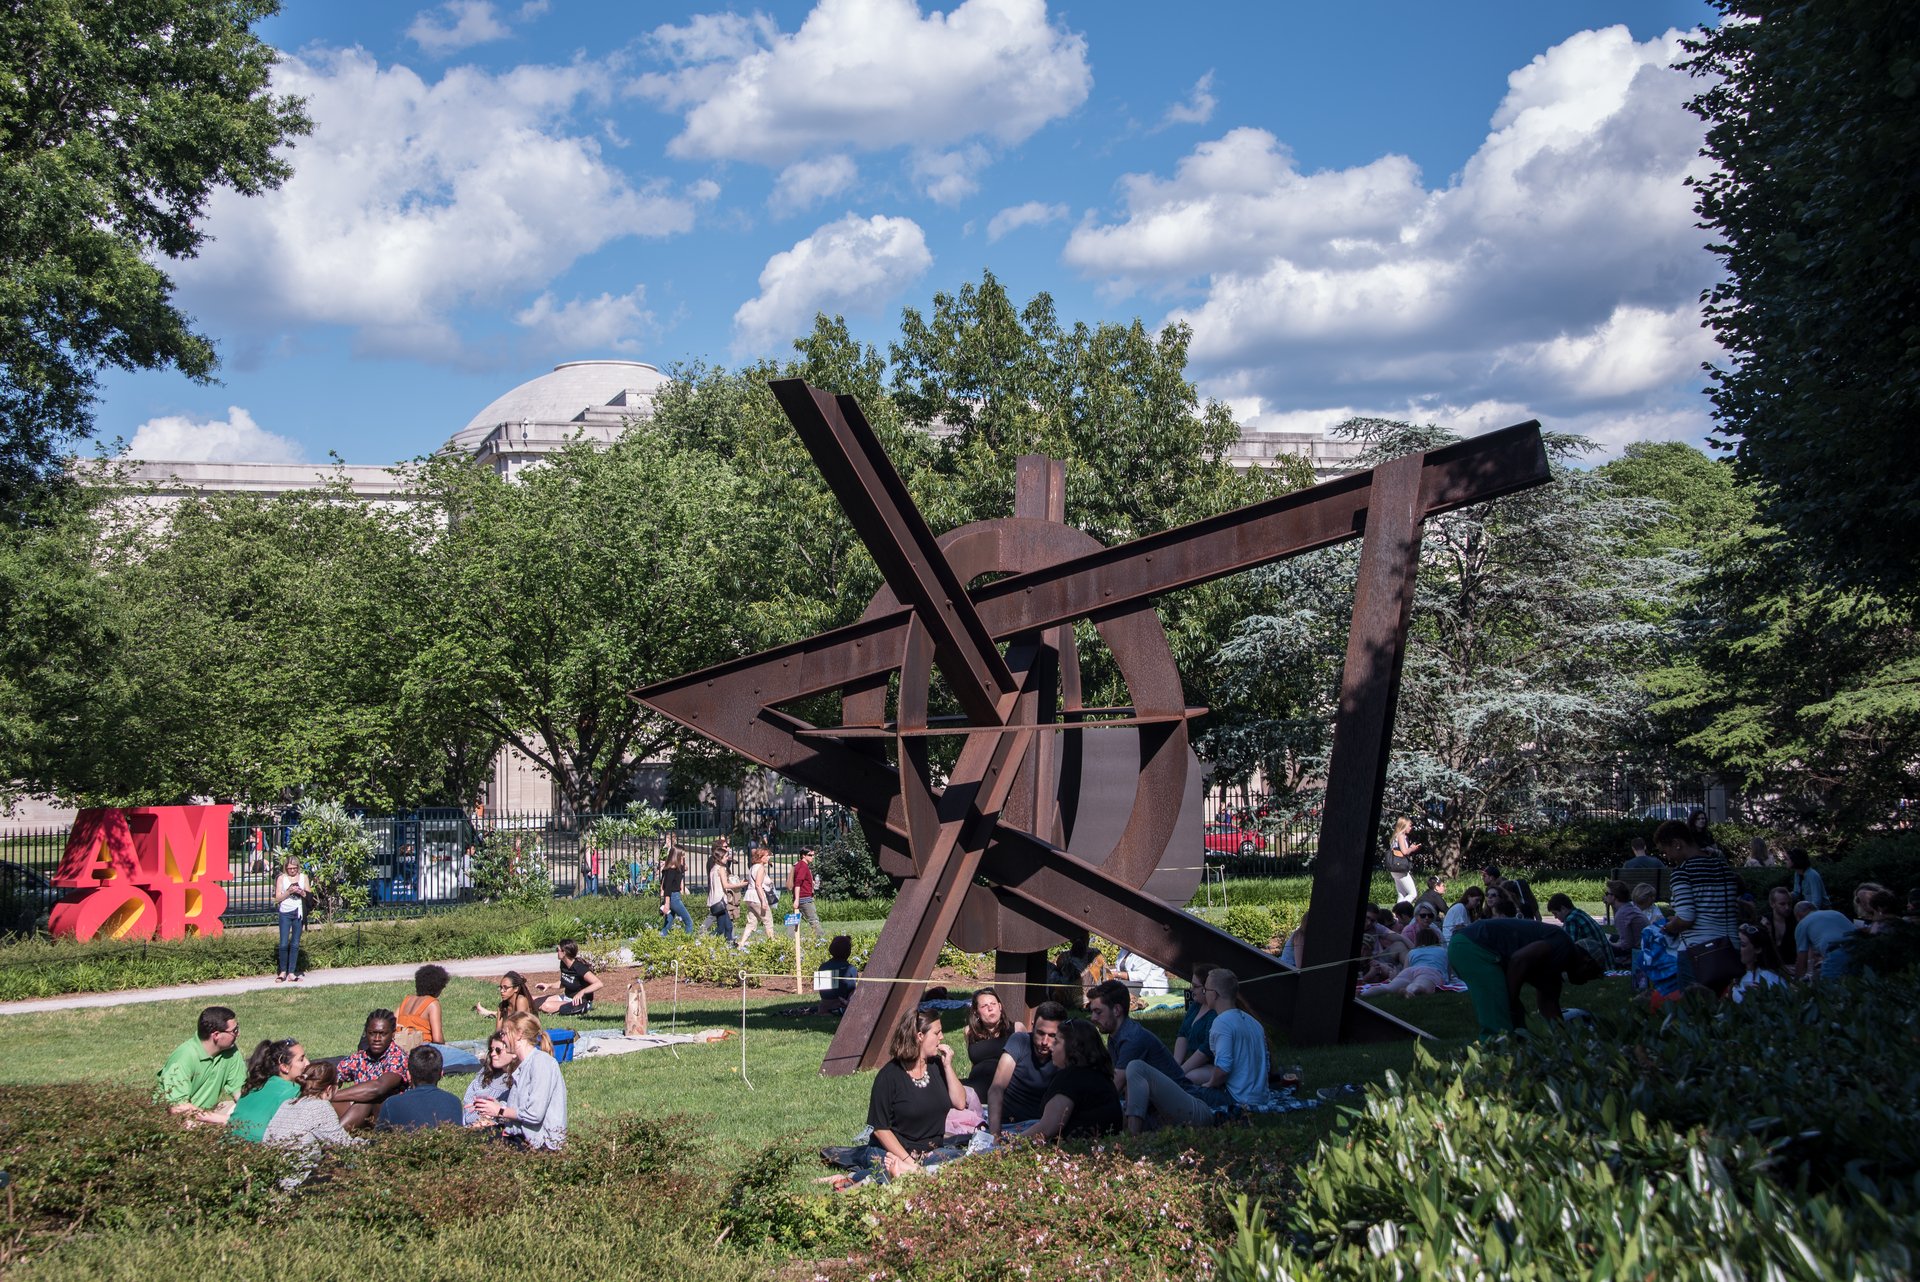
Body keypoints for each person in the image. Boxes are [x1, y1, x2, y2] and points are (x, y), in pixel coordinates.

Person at [1122, 967, 1268, 1132]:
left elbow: (1223, 1069)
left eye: (1206, 989)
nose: (1204, 993)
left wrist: (1209, 1084)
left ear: (1215, 994)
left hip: (1233, 1099)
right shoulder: (1252, 1022)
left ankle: (1134, 1128)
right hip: (1259, 1097)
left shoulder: (1222, 1023)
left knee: (1170, 1085)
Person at [856, 1010, 967, 1182]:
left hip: (931, 1152)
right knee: (896, 1178)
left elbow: (960, 1102)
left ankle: (916, 1173)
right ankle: (860, 1178)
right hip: (893, 1152)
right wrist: (908, 1163)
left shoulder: (937, 1066)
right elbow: (880, 1129)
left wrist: (948, 1066)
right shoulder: (889, 1076)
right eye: (937, 1033)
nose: (942, 1037)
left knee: (966, 1164)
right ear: (920, 1036)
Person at [1447, 917, 1603, 1035]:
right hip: (1473, 947)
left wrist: (1563, 1040)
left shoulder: (1556, 969)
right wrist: (1511, 1000)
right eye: (1591, 975)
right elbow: (1519, 960)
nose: (1585, 982)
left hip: (1471, 946)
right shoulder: (1563, 945)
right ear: (1587, 961)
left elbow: (1549, 1004)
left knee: (1519, 1026)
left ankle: (1518, 1058)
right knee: (1500, 1025)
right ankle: (1491, 1067)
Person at [1656, 819, 1744, 989]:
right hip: (1731, 947)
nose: (1668, 858)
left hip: (1698, 952)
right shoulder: (1723, 867)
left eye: (1666, 852)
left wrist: (1670, 927)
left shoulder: (1682, 873)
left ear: (1677, 844)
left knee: (1695, 1009)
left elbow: (1686, 918)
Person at [473, 1012, 568, 1149]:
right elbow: (520, 1108)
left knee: (480, 1141)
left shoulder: (541, 1063)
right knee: (475, 1136)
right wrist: (495, 1106)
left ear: (519, 1034)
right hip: (521, 1139)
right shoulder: (523, 1066)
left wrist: (500, 1110)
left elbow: (535, 1114)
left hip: (541, 1145)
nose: (503, 1039)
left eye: (504, 1034)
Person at [1088, 979, 1186, 1104]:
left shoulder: (1132, 1039)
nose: (1093, 1018)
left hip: (1180, 1102)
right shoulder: (1115, 1035)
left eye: (1098, 1012)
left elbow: (1114, 1087)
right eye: (1092, 1012)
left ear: (1117, 1010)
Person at [1026, 1019, 1124, 1143]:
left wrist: (1009, 1144)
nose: (1051, 1046)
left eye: (1057, 1041)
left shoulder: (1070, 1078)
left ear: (1073, 1047)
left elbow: (1047, 1129)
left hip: (1077, 1154)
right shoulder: (1102, 1076)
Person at [156, 1005, 246, 1124]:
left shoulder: (231, 1052)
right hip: (178, 1120)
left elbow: (239, 1092)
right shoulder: (184, 1057)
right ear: (216, 1035)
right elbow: (178, 1107)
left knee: (245, 1114)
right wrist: (222, 1120)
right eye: (234, 1031)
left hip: (208, 1113)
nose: (238, 1034)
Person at [986, 1001, 1064, 1135]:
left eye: (1052, 1036)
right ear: (1032, 1026)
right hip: (1009, 1125)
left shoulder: (1065, 1054)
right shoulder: (1019, 1041)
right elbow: (996, 1088)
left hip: (1042, 1127)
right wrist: (995, 1134)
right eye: (1040, 1033)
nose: (1044, 1042)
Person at [262, 1061, 362, 1154]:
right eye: (338, 1085)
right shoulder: (319, 1107)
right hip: (300, 1170)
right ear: (329, 1089)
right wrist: (369, 1143)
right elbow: (343, 1144)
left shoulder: (288, 1103)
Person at [333, 1010, 411, 1129]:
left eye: (382, 1033)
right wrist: (323, 1092)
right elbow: (333, 1078)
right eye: (372, 1033)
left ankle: (335, 1137)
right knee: (329, 1102)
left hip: (391, 1119)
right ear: (366, 1033)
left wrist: (331, 1095)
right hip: (363, 1117)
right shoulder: (359, 1058)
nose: (377, 1038)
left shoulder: (397, 1057)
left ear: (393, 1034)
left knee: (368, 1098)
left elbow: (378, 1088)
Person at [228, 1038, 309, 1142]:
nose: (307, 1063)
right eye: (301, 1059)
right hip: (257, 1150)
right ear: (284, 1067)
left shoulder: (256, 1085)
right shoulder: (294, 1091)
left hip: (227, 1144)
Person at [378, 1045, 465, 1130]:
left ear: (408, 1075)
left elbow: (381, 1140)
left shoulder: (391, 1104)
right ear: (441, 1074)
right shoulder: (454, 1102)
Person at [961, 987, 1019, 1102]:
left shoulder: (1016, 1028)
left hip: (1005, 1088)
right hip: (976, 1084)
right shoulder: (969, 1031)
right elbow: (975, 1063)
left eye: (993, 1004)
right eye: (984, 1006)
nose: (990, 1008)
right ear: (976, 1012)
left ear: (1000, 1007)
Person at [1172, 961, 1218, 1082]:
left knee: (1188, 1078)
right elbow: (1183, 1034)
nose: (1192, 990)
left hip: (1214, 1065)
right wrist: (1176, 1064)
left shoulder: (1215, 1012)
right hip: (1195, 1063)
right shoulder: (1196, 1005)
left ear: (1207, 988)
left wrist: (1180, 1071)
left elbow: (1206, 1049)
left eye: (1195, 986)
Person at [1374, 926, 1451, 996]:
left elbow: (1405, 969)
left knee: (1388, 987)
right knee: (1419, 984)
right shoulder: (1442, 951)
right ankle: (1410, 991)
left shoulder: (1412, 952)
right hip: (1430, 971)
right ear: (1436, 939)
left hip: (1411, 970)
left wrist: (1397, 976)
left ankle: (1365, 994)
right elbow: (1448, 971)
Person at [533, 940, 602, 1016]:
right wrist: (549, 985)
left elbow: (598, 983)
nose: (557, 952)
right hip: (566, 998)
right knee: (533, 1000)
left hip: (580, 1002)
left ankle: (579, 1009)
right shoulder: (563, 964)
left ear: (564, 952)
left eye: (557, 950)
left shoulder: (579, 968)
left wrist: (581, 992)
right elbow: (564, 981)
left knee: (546, 1006)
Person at [462, 1032, 517, 1126]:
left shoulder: (519, 1079)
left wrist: (493, 1116)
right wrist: (482, 1119)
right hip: (475, 1126)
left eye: (498, 1050)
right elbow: (468, 1110)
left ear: (512, 1052)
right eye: (491, 1050)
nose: (493, 1054)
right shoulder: (484, 1075)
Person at [1794, 904, 1860, 979]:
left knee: (1827, 987)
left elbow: (1801, 958)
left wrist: (1796, 982)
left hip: (1837, 952)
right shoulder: (1835, 913)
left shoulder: (1802, 923)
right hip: (1860, 950)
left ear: (1798, 916)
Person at [1548, 893, 1612, 968]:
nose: (1555, 917)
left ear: (1563, 909)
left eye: (1555, 913)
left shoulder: (1571, 920)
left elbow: (1568, 949)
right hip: (1608, 963)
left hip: (1600, 967)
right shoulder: (1578, 913)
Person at [272, 858, 311, 982]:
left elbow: (309, 895)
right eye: (290, 868)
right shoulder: (281, 878)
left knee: (295, 944)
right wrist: (288, 892)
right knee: (283, 943)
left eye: (294, 868)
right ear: (286, 868)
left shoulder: (303, 877)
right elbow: (277, 898)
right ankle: (282, 971)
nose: (292, 871)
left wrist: (302, 892)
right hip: (285, 913)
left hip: (298, 912)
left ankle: (291, 973)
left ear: (298, 867)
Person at [736, 844, 781, 948]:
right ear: (761, 857)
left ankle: (742, 943)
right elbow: (758, 885)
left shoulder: (753, 867)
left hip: (749, 897)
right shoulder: (760, 868)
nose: (769, 857)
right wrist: (763, 901)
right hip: (757, 897)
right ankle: (772, 943)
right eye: (767, 855)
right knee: (768, 920)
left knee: (752, 921)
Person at [1730, 923, 1789, 1003]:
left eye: (1742, 945)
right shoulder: (1728, 974)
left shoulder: (1771, 978)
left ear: (1757, 949)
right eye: (1735, 943)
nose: (1737, 948)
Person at [395, 963, 448, 1050]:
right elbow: (437, 1039)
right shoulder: (432, 1004)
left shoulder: (406, 1000)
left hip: (401, 1048)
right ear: (439, 987)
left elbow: (392, 1025)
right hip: (422, 1052)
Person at [706, 842, 743, 944]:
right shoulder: (721, 869)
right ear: (721, 857)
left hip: (715, 900)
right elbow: (726, 885)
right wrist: (740, 885)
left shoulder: (714, 868)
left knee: (726, 927)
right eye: (726, 856)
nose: (727, 858)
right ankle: (706, 941)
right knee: (724, 928)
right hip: (720, 902)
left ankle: (728, 945)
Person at [658, 837, 695, 934]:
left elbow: (684, 868)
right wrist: (667, 904)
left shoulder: (677, 868)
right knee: (689, 922)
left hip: (675, 896)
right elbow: (667, 888)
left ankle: (661, 938)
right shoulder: (670, 870)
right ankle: (688, 942)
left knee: (668, 924)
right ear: (677, 856)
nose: (683, 858)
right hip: (672, 898)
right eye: (682, 856)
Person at [1606, 880, 1650, 962]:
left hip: (1637, 951)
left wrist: (1608, 943)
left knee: (1601, 944)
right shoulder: (1629, 907)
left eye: (1607, 893)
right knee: (1612, 937)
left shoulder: (1622, 914)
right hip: (1643, 945)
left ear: (1614, 896)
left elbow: (1626, 945)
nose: (1606, 896)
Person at [818, 934, 860, 1014]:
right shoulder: (850, 969)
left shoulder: (823, 967)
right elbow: (853, 990)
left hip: (824, 1006)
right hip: (842, 1005)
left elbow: (825, 993)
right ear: (848, 951)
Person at [790, 846, 824, 942]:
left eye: (813, 855)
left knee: (796, 921)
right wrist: (796, 900)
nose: (813, 857)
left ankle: (792, 939)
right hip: (804, 898)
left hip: (803, 897)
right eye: (810, 855)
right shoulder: (803, 866)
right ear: (803, 856)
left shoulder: (800, 865)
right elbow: (797, 883)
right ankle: (822, 940)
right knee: (814, 920)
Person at [1385, 817, 1420, 904]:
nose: (1410, 828)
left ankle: (1396, 915)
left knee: (1402, 894)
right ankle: (1399, 910)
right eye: (1409, 826)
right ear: (1404, 826)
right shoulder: (1401, 836)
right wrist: (1412, 848)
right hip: (1400, 867)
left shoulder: (1395, 836)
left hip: (1394, 868)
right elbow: (1405, 852)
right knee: (1413, 894)